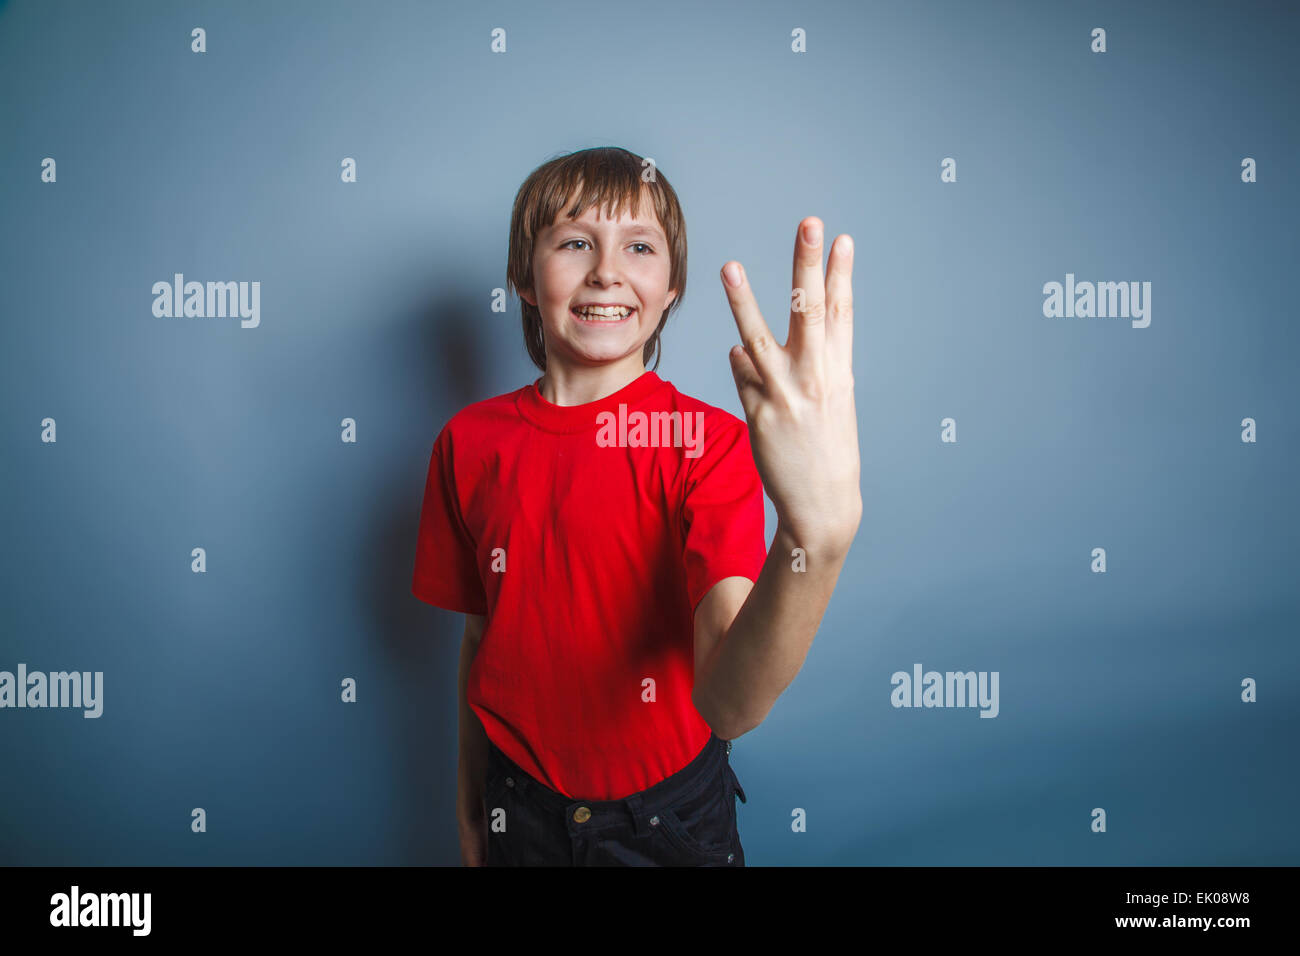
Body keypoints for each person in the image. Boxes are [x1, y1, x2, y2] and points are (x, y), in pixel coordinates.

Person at [412, 146, 861, 866]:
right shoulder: (466, 443)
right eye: (575, 242)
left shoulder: (708, 445)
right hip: (517, 808)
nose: (607, 271)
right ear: (526, 278)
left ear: (672, 285)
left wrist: (818, 538)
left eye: (640, 246)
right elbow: (477, 637)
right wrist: (471, 805)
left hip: (668, 823)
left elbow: (731, 704)